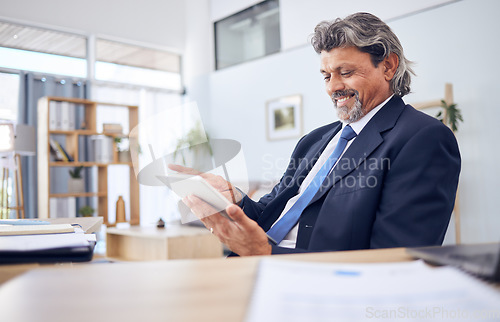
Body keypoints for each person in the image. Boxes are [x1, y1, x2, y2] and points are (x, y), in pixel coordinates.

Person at [170, 12, 461, 256]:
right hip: (250, 269)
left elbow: (396, 258)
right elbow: (272, 213)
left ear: (388, 66)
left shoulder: (424, 138)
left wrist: (267, 254)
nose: (333, 87)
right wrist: (234, 200)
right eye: (326, 76)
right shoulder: (313, 141)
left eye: (345, 72)